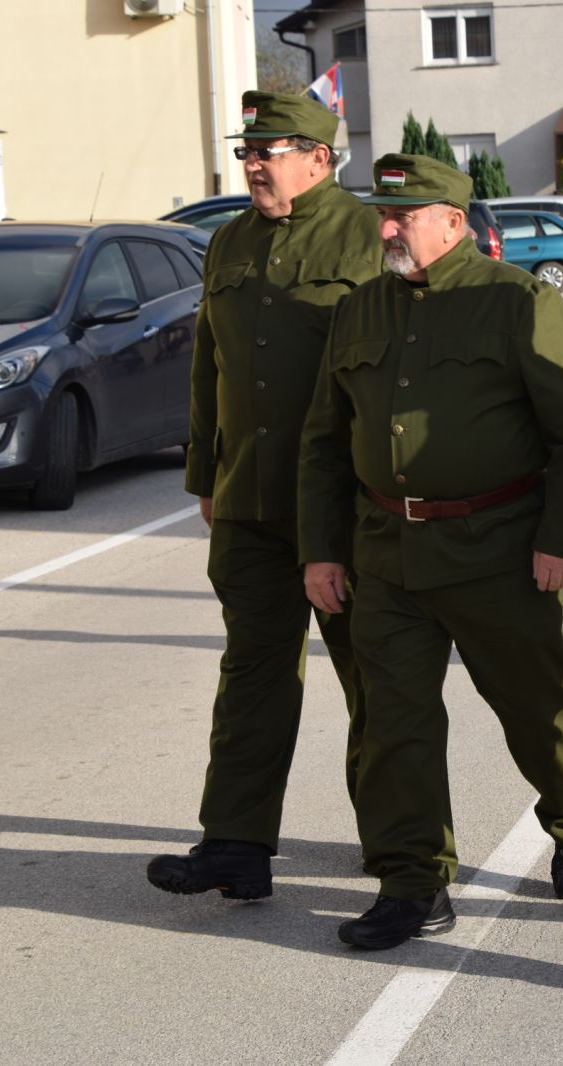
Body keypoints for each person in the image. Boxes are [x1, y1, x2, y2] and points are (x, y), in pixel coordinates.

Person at [297, 154, 563, 950]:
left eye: (405, 216)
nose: (388, 229)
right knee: (393, 723)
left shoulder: (518, 304)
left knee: (535, 707)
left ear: (453, 222)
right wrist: (322, 552)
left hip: (499, 550)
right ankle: (414, 884)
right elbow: (324, 443)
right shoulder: (359, 310)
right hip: (386, 552)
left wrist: (562, 542)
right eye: (383, 215)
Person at [146, 91, 382, 900]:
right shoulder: (229, 241)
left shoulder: (368, 233)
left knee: (376, 680)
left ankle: (402, 848)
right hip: (248, 501)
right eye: (248, 149)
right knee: (252, 672)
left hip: (347, 507)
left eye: (270, 149)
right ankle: (236, 845)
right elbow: (209, 365)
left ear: (319, 158)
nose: (252, 162)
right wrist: (205, 473)